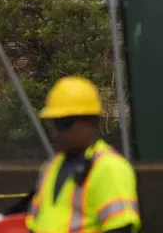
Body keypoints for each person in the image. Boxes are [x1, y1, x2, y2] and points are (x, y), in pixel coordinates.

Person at [26, 76, 141, 233]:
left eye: (62, 124)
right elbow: (34, 224)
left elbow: (120, 228)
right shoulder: (51, 166)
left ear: (89, 123)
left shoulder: (109, 167)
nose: (55, 133)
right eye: (54, 123)